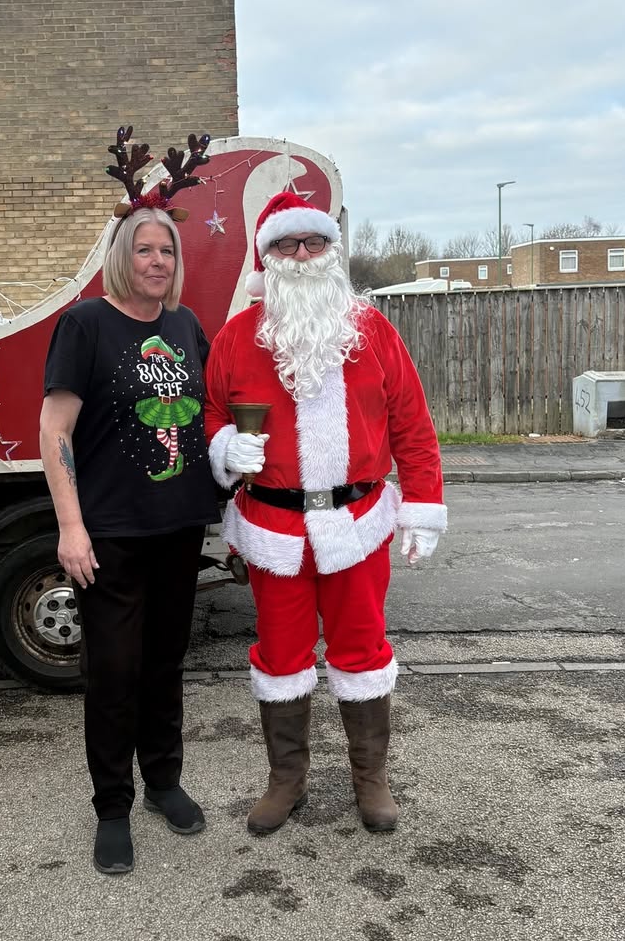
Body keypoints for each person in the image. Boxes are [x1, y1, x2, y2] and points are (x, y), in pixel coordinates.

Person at [204, 191, 446, 836]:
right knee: (280, 657)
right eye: (287, 245)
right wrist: (226, 447)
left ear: (332, 251)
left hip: (358, 523)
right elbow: (212, 414)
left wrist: (421, 506)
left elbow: (413, 427)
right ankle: (287, 780)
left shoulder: (373, 331)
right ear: (267, 258)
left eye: (314, 243)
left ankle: (370, 778)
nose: (302, 256)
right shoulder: (235, 336)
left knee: (362, 650)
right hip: (274, 527)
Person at [40, 131, 217, 875]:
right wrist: (71, 526)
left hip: (178, 526)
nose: (157, 262)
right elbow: (54, 429)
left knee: (165, 664)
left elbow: (205, 422)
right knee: (112, 672)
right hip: (109, 532)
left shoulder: (184, 327)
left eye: (168, 252)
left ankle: (164, 782)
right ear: (122, 255)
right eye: (145, 249)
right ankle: (112, 807)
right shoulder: (85, 324)